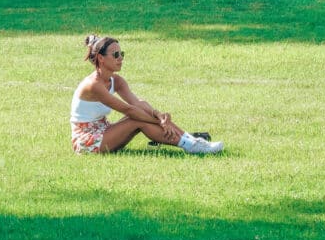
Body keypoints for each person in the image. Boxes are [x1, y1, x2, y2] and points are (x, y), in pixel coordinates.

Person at [70, 34, 224, 155]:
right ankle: (191, 145)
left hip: (103, 131)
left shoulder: (116, 80)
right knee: (136, 120)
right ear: (101, 58)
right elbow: (129, 110)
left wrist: (159, 115)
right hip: (86, 142)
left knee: (142, 109)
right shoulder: (93, 85)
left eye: (121, 53)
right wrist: (161, 123)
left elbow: (137, 104)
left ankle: (192, 141)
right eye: (115, 54)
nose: (121, 58)